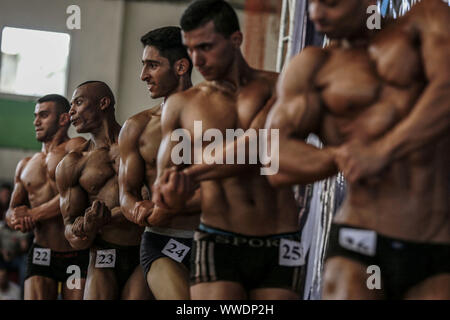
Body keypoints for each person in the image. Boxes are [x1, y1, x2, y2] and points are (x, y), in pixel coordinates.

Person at [265, 0, 450, 299]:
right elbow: (274, 159)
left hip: (437, 245)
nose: (316, 14)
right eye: (312, 3)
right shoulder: (313, 66)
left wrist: (383, 150)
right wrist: (338, 156)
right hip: (359, 241)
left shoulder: (427, 19)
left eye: (331, 3)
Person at [152, 0, 302, 300]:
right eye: (190, 49)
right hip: (218, 238)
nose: (197, 59)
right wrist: (172, 197)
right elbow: (164, 188)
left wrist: (195, 172)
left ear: (236, 40)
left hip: (281, 238)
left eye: (205, 47)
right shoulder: (181, 106)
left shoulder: (280, 86)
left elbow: (261, 147)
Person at [118, 26, 200, 300]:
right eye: (144, 66)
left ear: (180, 66)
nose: (143, 76)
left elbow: (232, 186)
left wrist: (169, 205)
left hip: (213, 238)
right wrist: (136, 209)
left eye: (152, 65)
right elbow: (126, 193)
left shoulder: (217, 119)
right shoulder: (136, 127)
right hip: (161, 239)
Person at [56, 81, 151, 300]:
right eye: (70, 105)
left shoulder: (140, 145)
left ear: (103, 103)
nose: (71, 111)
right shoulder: (72, 163)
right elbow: (70, 229)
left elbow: (149, 203)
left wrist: (106, 218)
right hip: (102, 253)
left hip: (143, 249)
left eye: (78, 102)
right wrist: (84, 229)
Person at [5, 94, 88, 300]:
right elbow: (11, 210)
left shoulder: (77, 146)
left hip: (76, 253)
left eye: (43, 115)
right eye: (35, 116)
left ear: (62, 119)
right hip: (42, 251)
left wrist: (33, 214)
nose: (36, 122)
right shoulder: (25, 164)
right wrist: (17, 219)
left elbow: (73, 194)